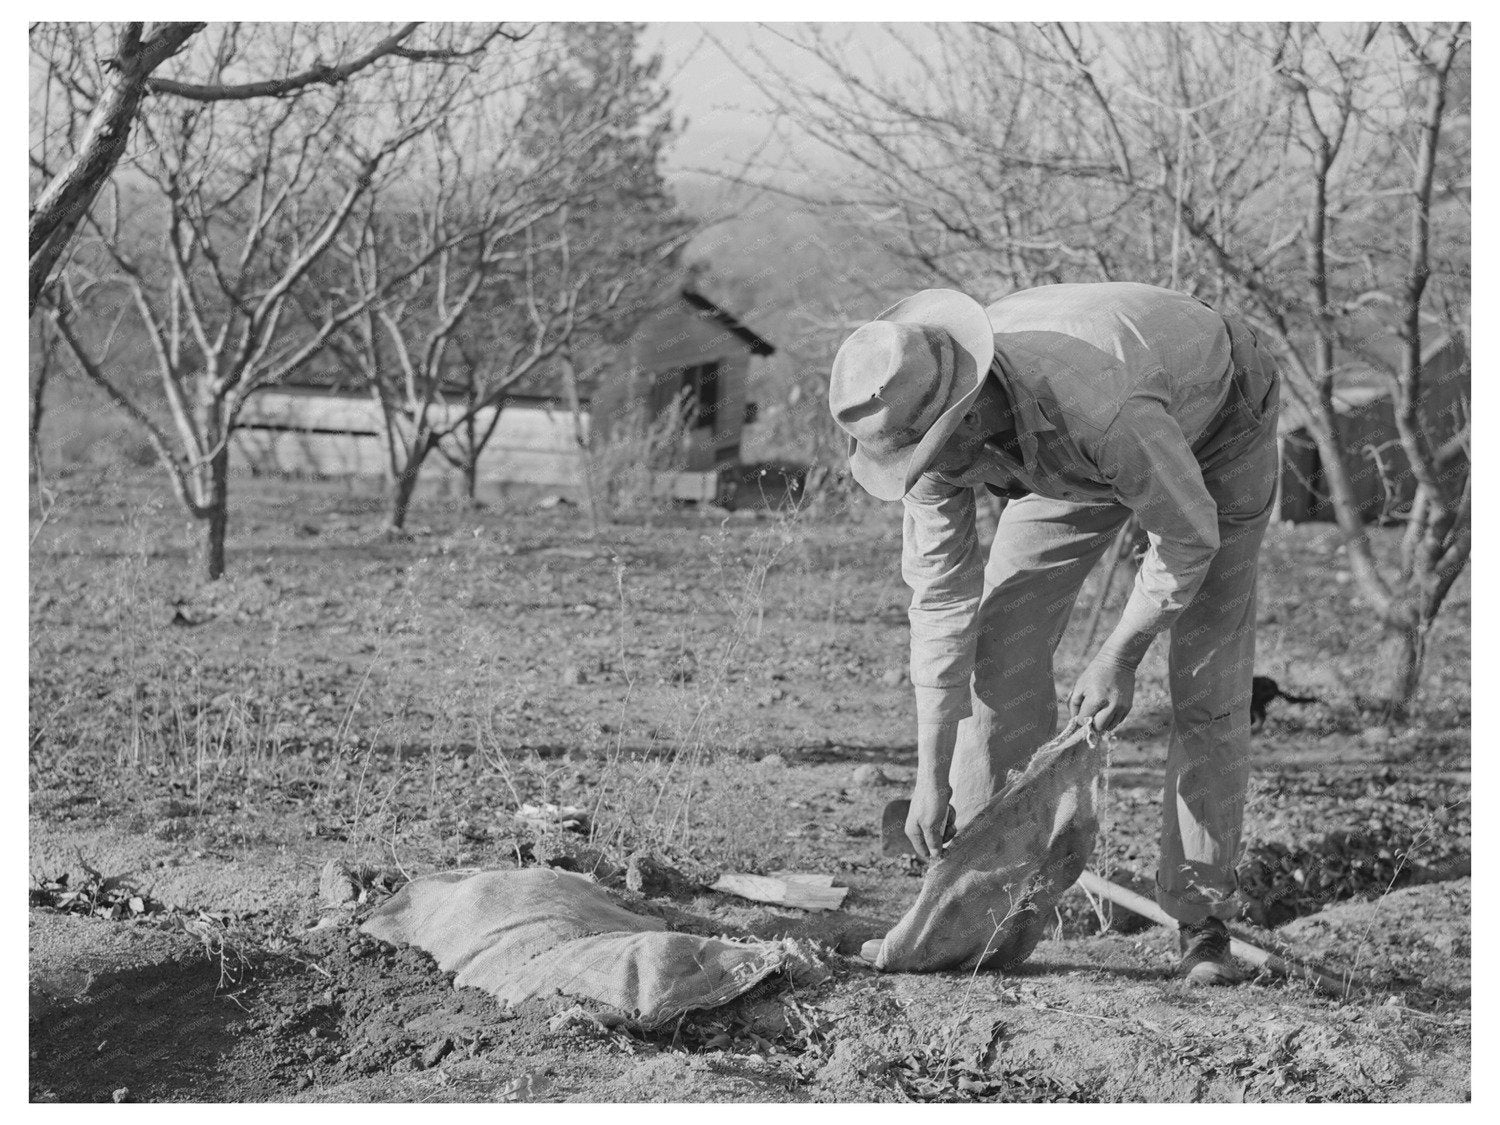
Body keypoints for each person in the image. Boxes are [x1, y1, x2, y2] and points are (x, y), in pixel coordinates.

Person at [827, 282, 1280, 985]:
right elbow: (941, 602)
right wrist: (928, 776)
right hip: (1060, 456)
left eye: (941, 455)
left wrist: (1118, 654)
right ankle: (981, 902)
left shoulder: (1105, 405)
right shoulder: (920, 436)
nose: (935, 478)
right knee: (999, 644)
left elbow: (1186, 539)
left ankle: (1203, 927)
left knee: (1206, 681)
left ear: (970, 413)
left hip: (1216, 424)